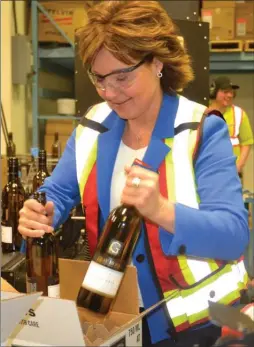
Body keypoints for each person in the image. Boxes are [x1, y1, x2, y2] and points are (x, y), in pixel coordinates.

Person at [18, 1, 249, 346]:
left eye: (122, 77)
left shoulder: (202, 130)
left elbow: (233, 235)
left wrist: (162, 211)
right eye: (99, 79)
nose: (110, 93)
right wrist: (40, 211)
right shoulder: (93, 126)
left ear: (157, 63)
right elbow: (59, 192)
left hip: (191, 325)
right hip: (115, 314)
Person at [209, 76, 254, 176]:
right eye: (225, 92)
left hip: (232, 172)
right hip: (208, 171)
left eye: (231, 92)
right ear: (214, 92)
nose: (230, 95)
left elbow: (247, 143)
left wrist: (238, 166)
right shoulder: (202, 111)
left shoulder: (239, 113)